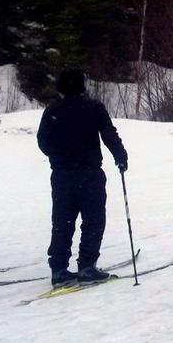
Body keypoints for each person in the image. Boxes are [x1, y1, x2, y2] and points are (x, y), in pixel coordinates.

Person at [37, 69, 128, 287]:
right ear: (82, 86)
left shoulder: (52, 110)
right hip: (89, 173)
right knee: (93, 219)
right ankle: (87, 266)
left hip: (61, 175)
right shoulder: (94, 108)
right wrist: (120, 156)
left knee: (62, 221)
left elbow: (42, 141)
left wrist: (58, 155)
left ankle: (58, 269)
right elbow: (109, 134)